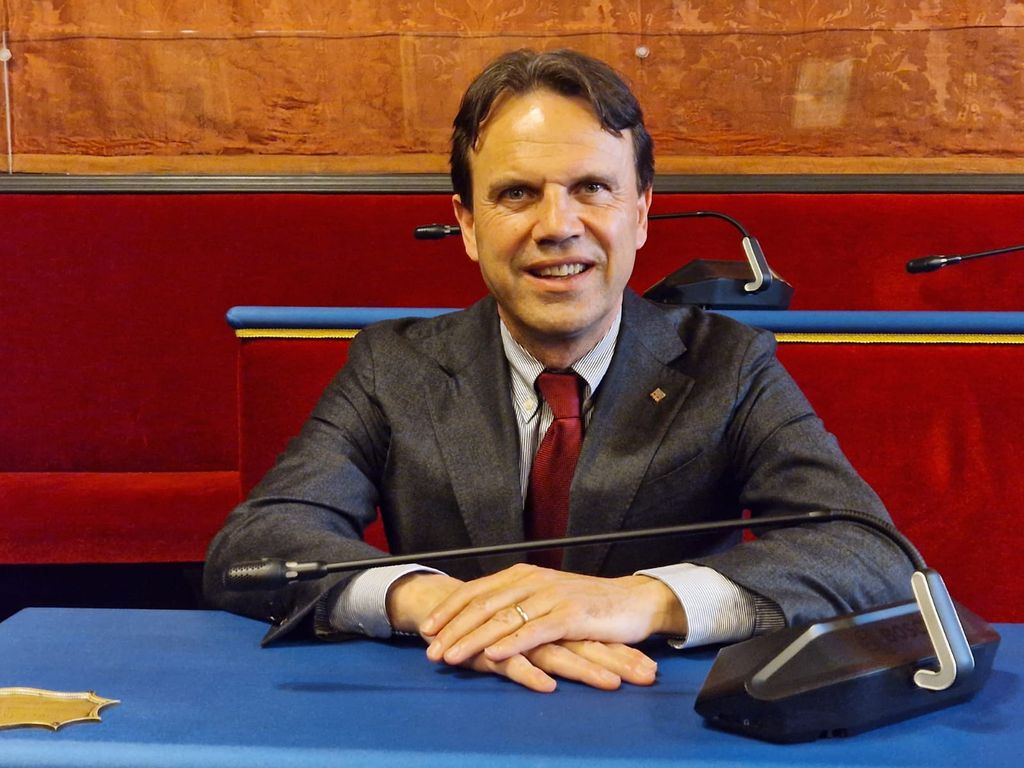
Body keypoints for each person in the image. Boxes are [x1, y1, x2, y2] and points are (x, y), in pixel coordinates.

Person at [204, 48, 912, 693]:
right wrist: (440, 605)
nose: (557, 225)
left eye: (592, 188)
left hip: (663, 721)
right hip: (448, 710)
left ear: (641, 212)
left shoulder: (728, 364)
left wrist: (640, 600)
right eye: (517, 193)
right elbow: (253, 548)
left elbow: (872, 552)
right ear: (468, 223)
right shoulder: (393, 365)